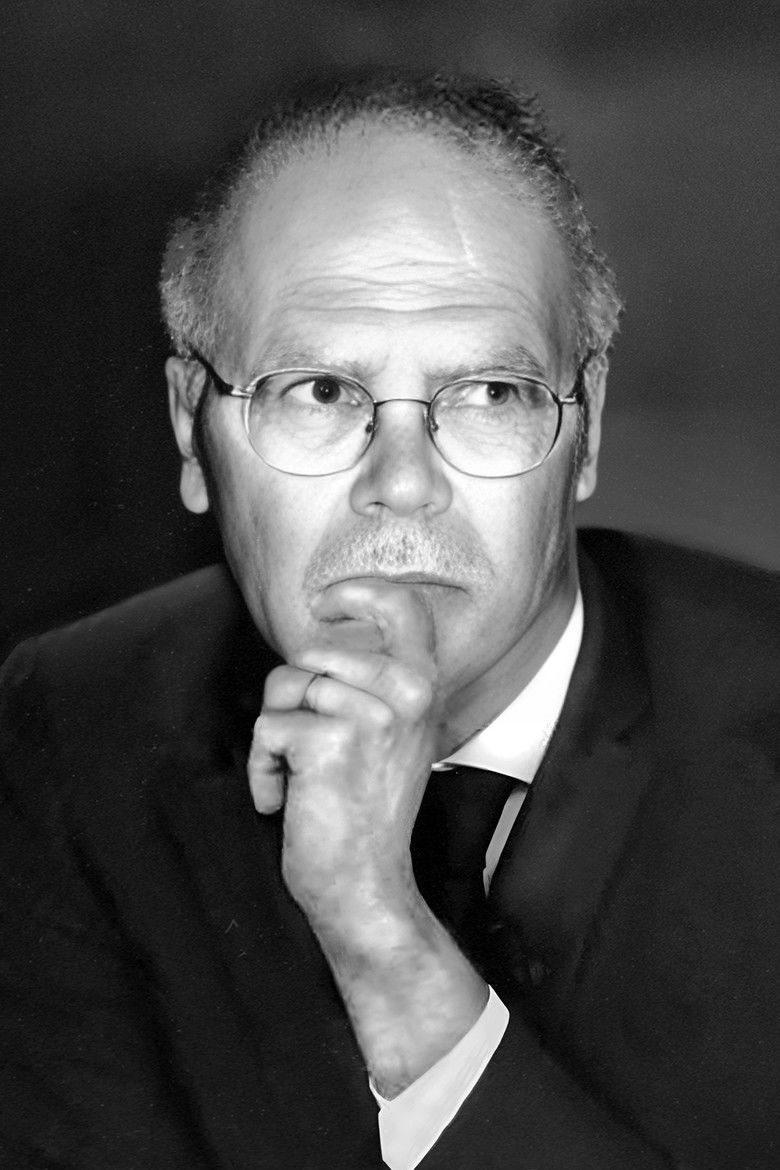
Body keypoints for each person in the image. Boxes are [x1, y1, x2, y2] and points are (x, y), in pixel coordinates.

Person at [0, 73, 777, 1170]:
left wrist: (387, 946)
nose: (403, 485)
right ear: (189, 429)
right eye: (320, 390)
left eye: (491, 392)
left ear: (587, 429)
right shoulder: (69, 722)